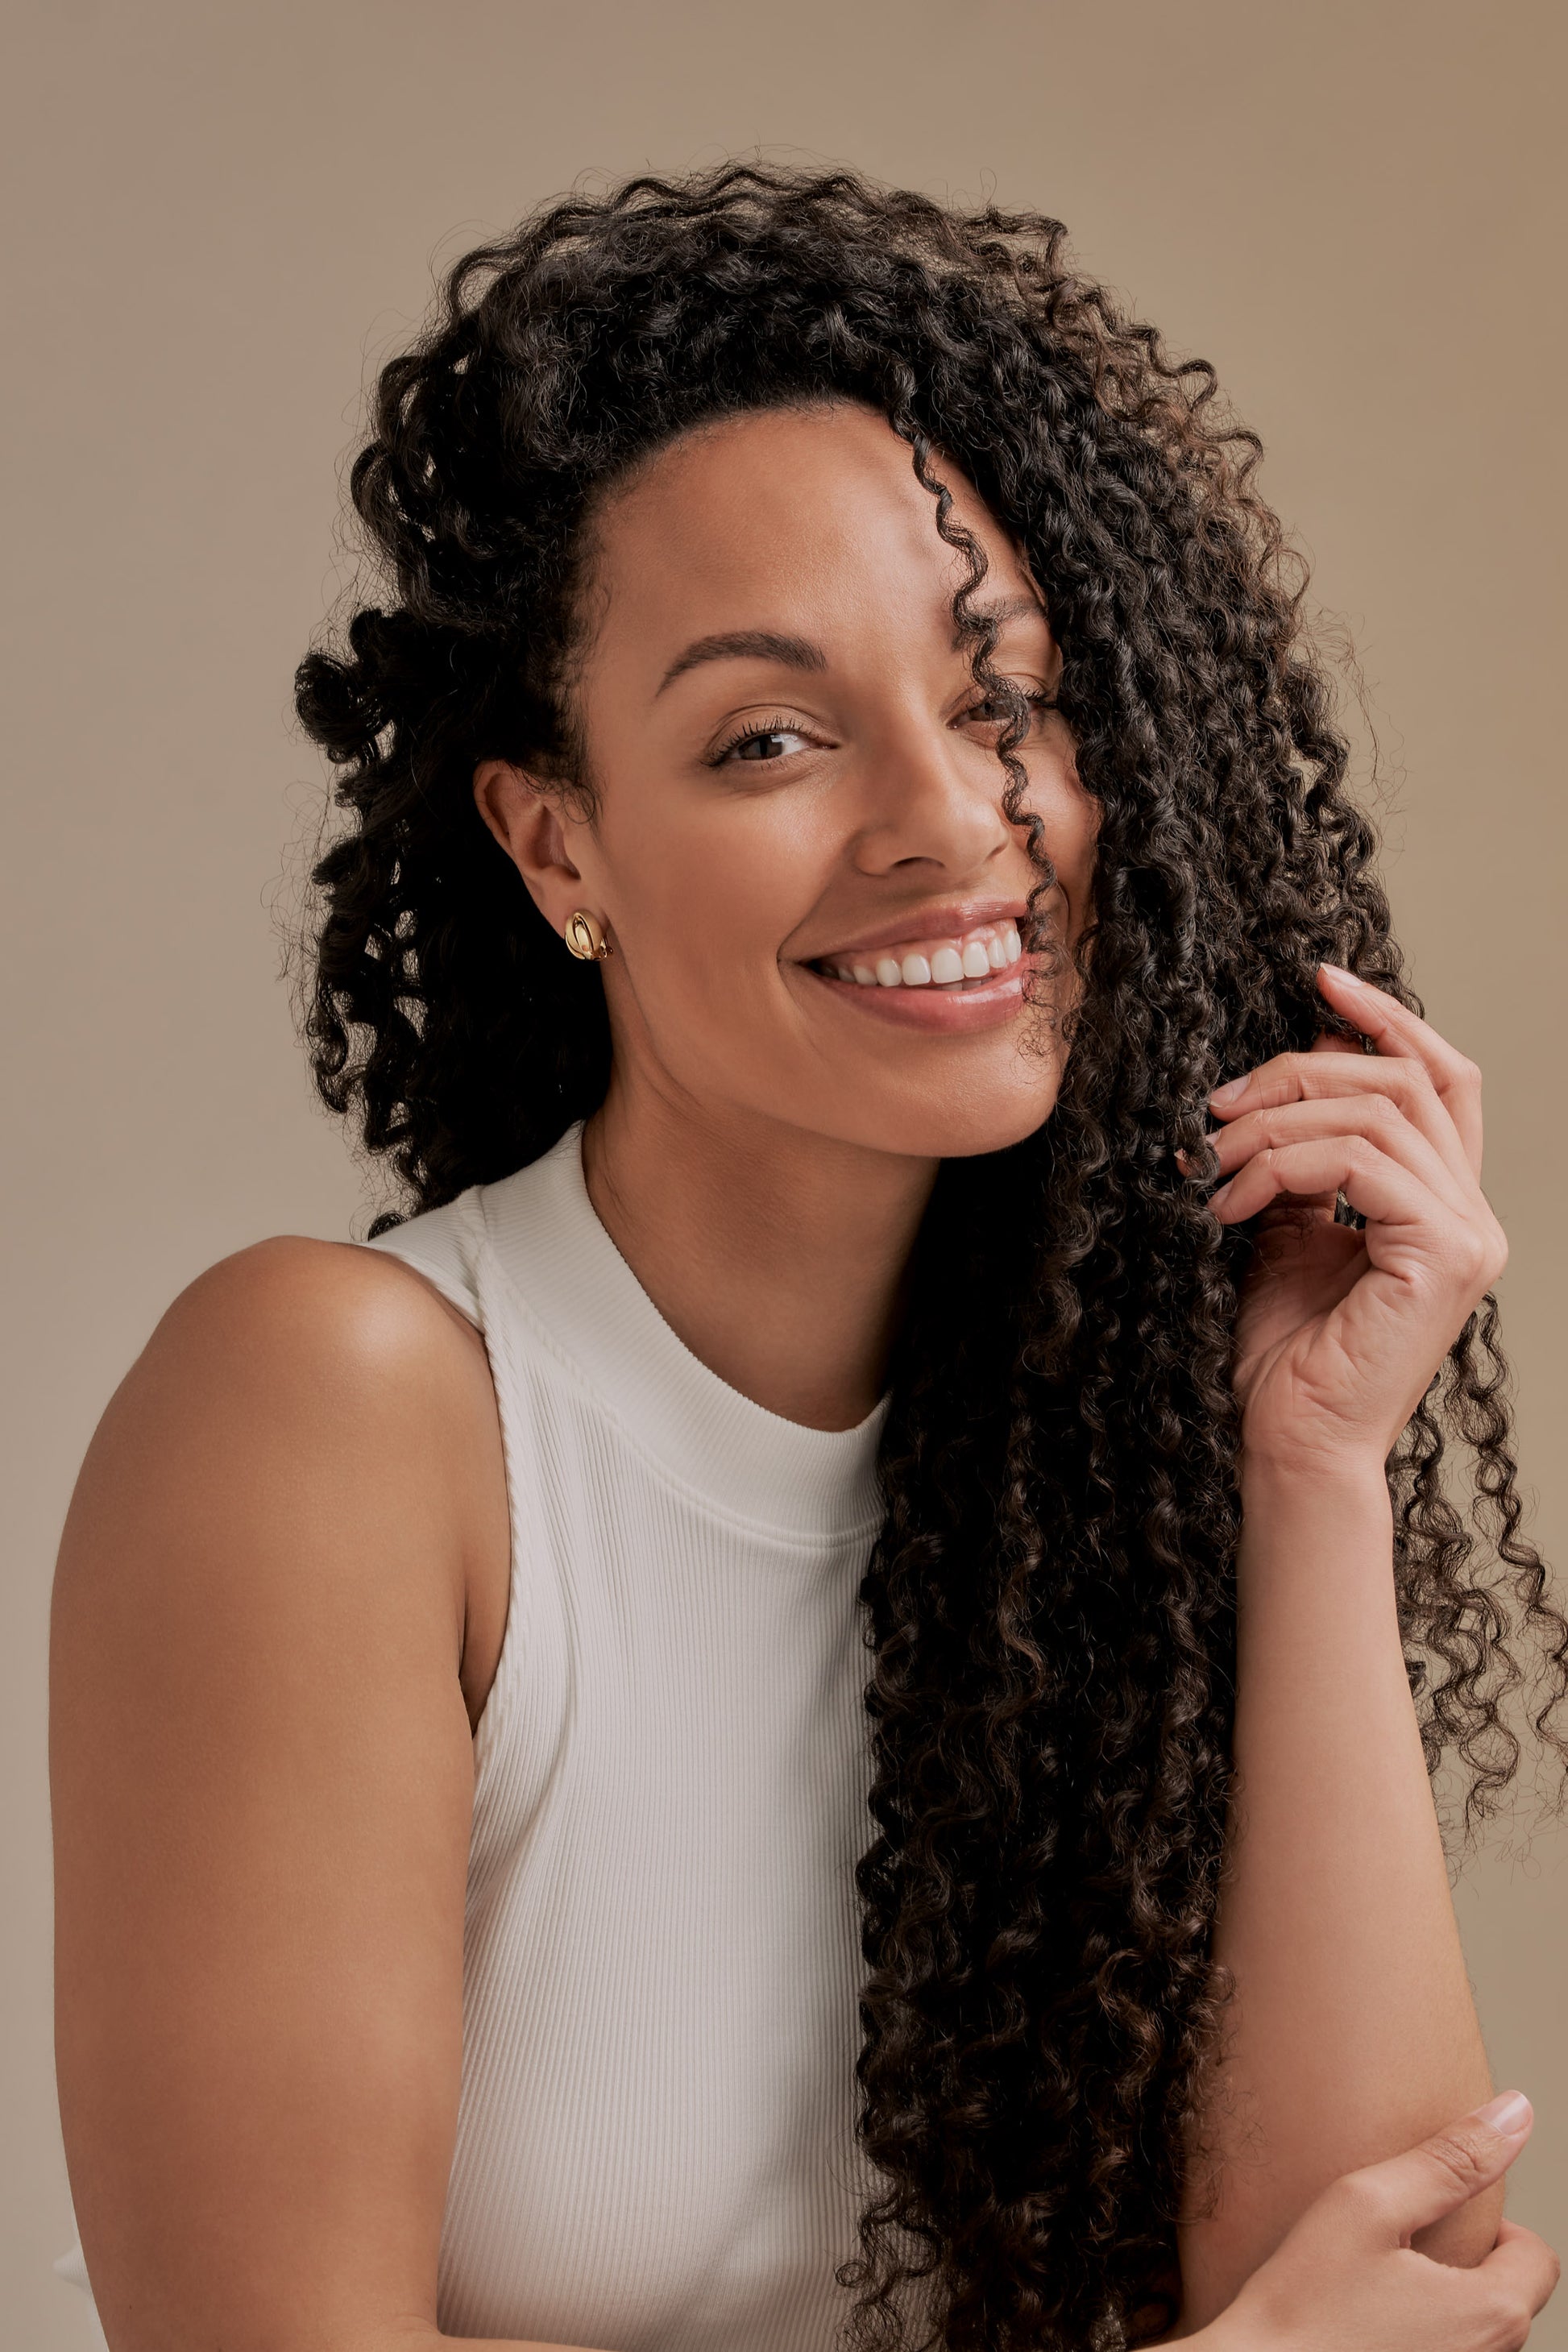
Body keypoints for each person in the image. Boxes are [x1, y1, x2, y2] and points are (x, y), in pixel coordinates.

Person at [49, 164, 1564, 2352]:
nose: (945, 821)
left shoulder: (1092, 1467)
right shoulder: (346, 1408)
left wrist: (1312, 1471)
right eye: (767, 736)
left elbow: (1387, 2302)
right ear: (555, 842)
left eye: (1004, 701)